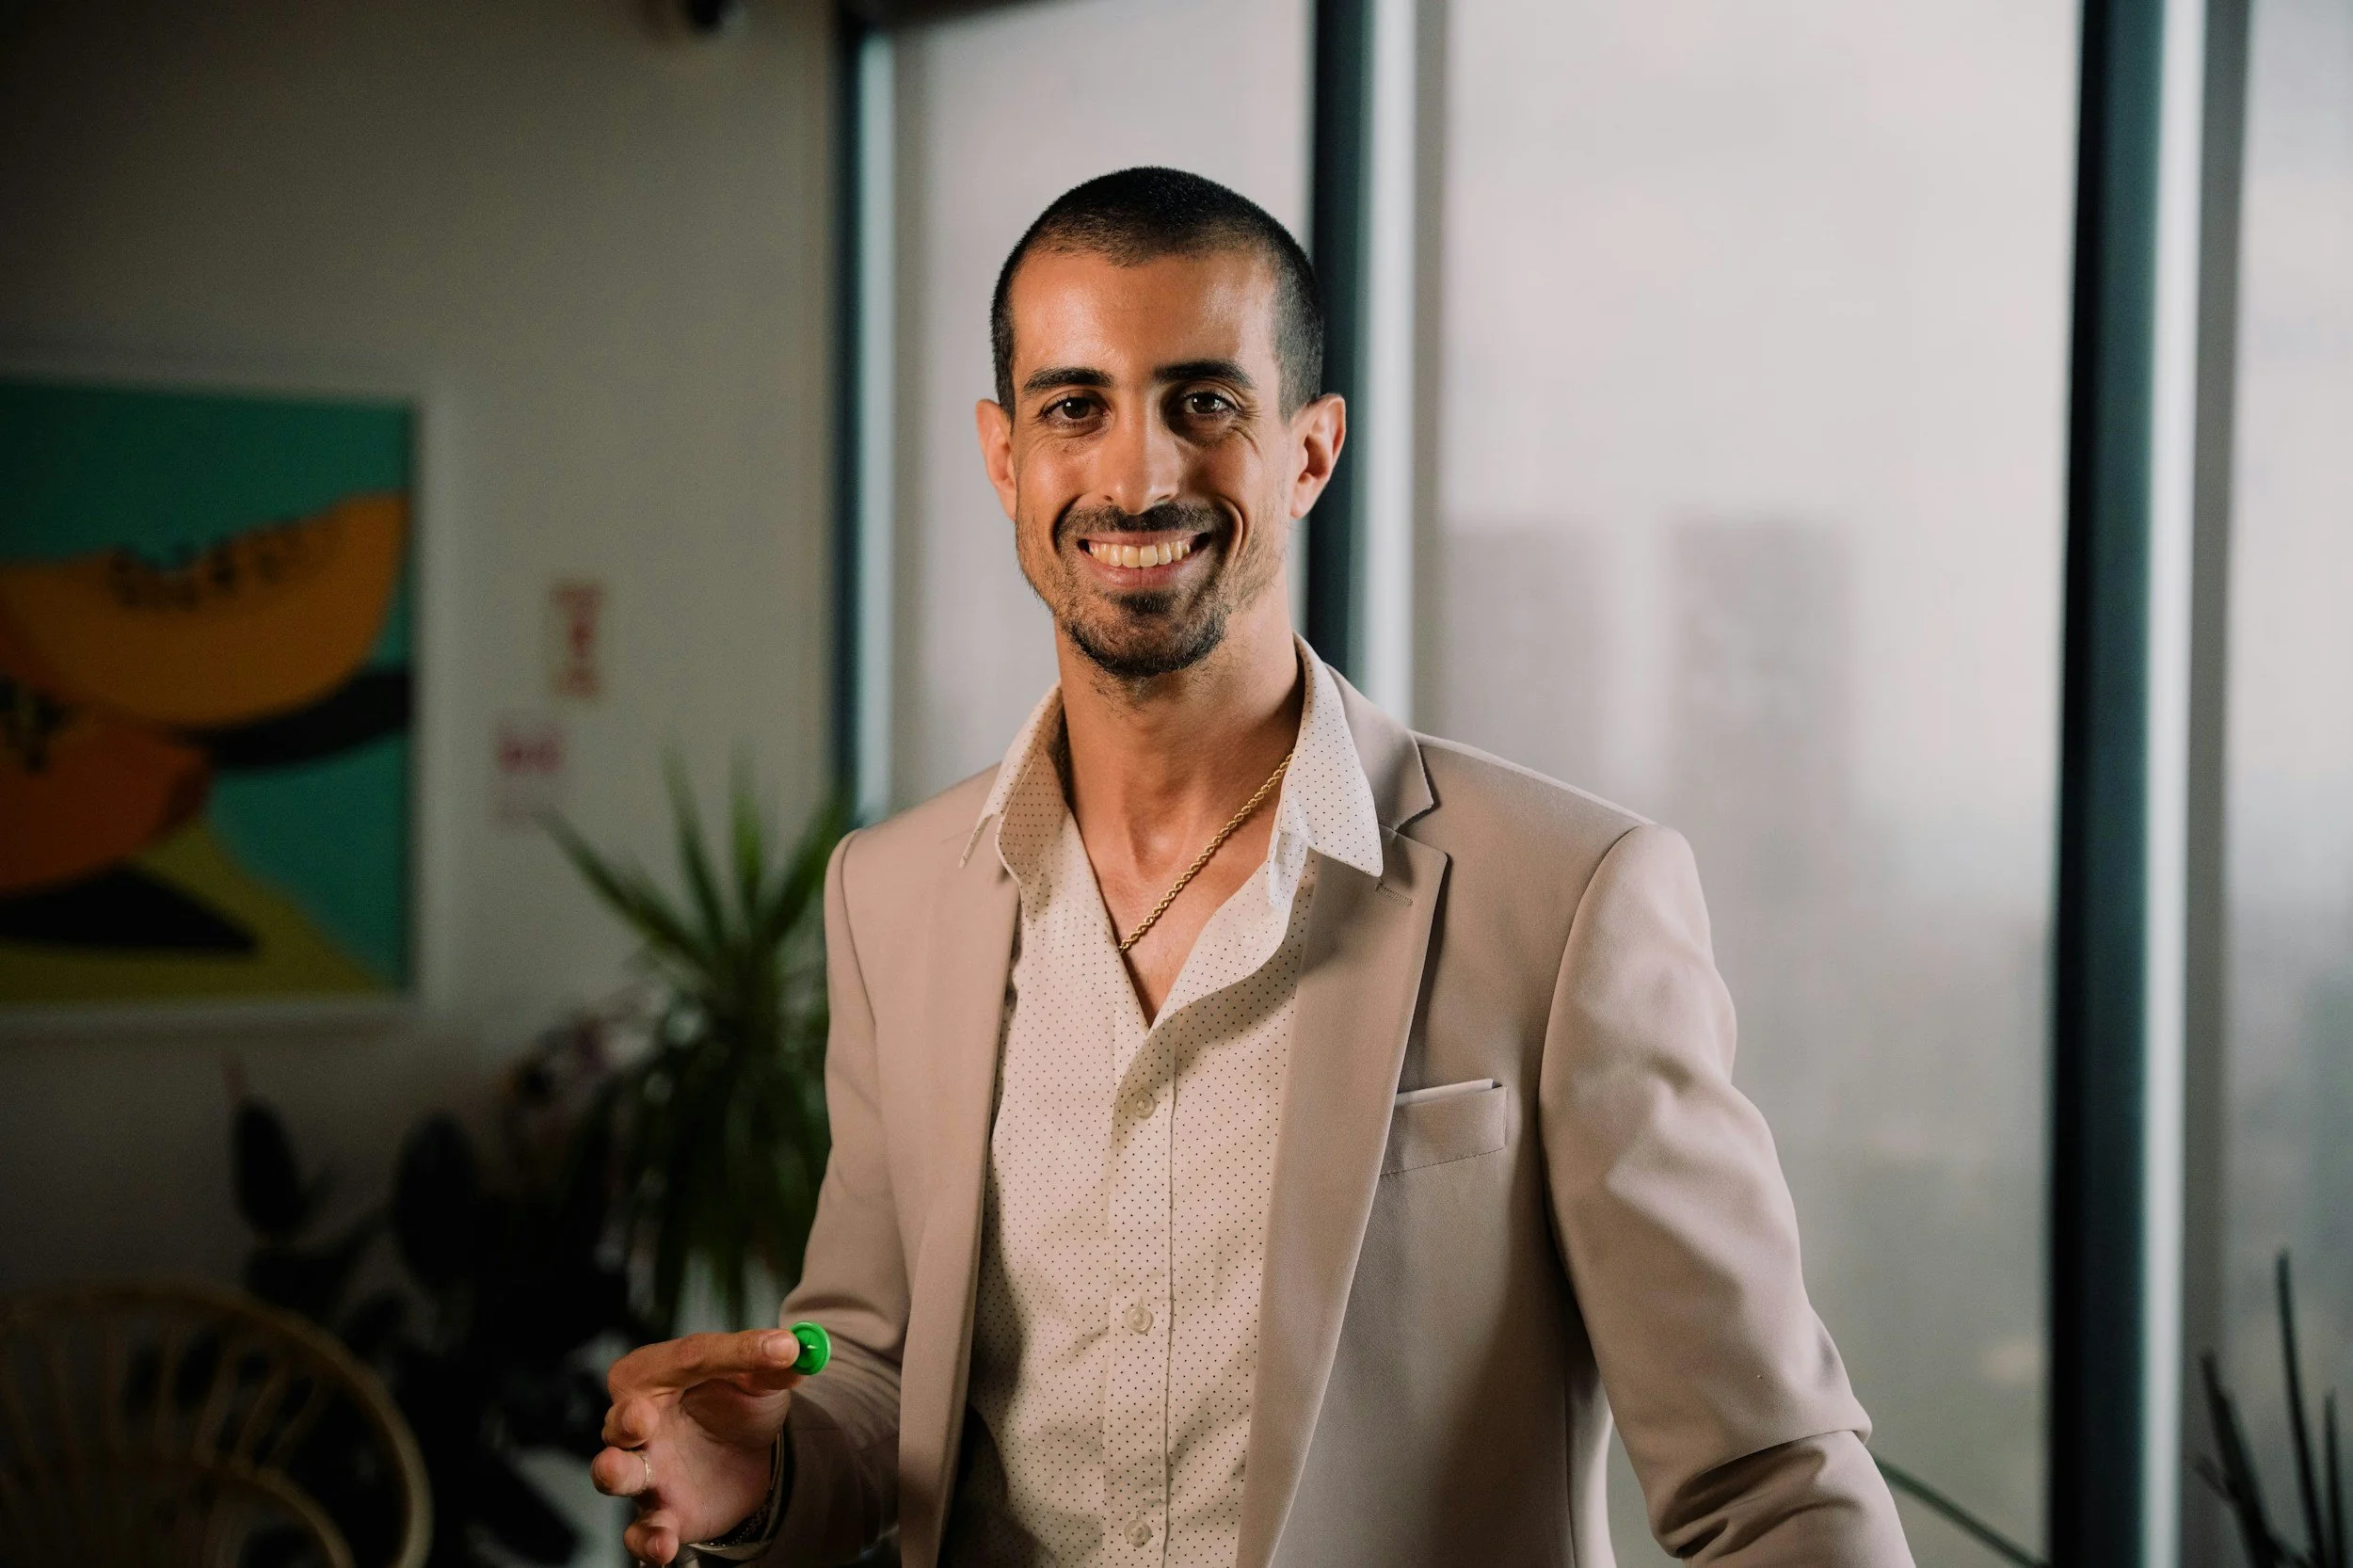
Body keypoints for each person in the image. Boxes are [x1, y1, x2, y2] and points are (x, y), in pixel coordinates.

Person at [591, 167, 1914, 1567]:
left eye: (1205, 403)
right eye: (1074, 406)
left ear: (1309, 450)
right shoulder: (892, 895)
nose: (1138, 473)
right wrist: (770, 1463)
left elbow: (1769, 1479)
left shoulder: (1572, 896)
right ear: (1004, 457)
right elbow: (869, 1363)